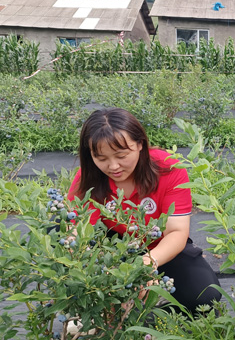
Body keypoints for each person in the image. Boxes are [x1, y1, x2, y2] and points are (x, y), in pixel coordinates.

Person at [67, 108, 221, 312]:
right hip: (113, 247)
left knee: (204, 295)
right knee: (55, 234)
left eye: (121, 155)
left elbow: (177, 231)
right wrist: (100, 274)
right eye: (101, 159)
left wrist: (146, 264)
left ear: (140, 144)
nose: (113, 166)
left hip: (160, 245)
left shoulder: (168, 168)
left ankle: (153, 309)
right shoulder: (89, 178)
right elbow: (75, 233)